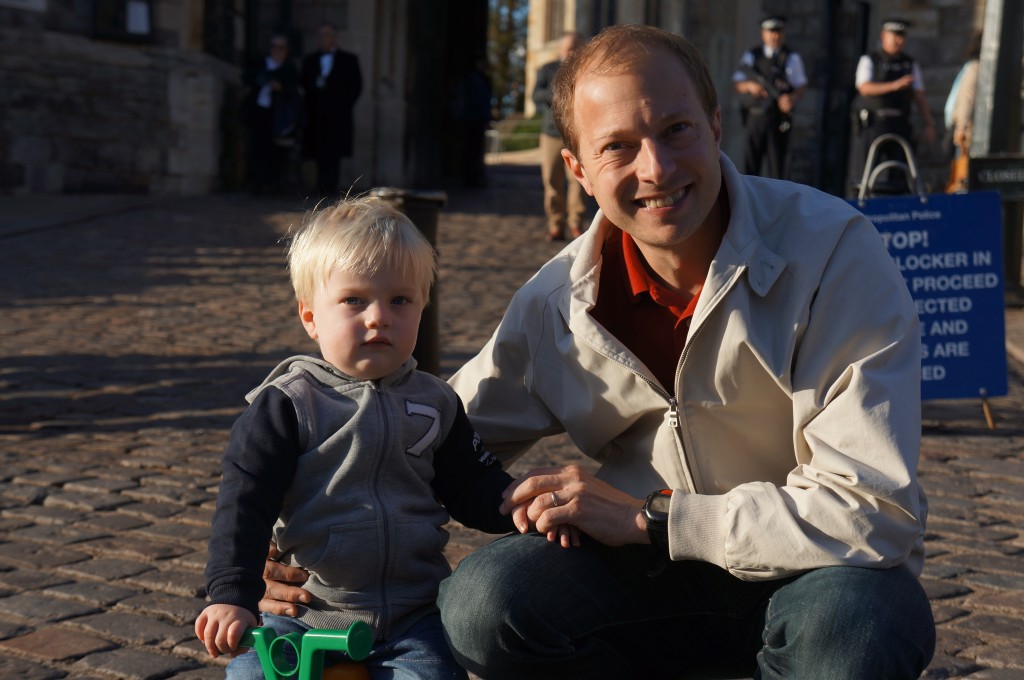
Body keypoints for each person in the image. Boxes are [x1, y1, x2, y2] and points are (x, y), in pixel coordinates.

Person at [263, 24, 936, 679]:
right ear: (579, 169)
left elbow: (874, 508)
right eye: (619, 147)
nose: (657, 169)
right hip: (645, 585)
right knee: (483, 601)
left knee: (857, 626)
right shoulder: (557, 299)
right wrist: (299, 549)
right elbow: (421, 434)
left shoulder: (834, 252)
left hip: (817, 578)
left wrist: (652, 517)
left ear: (716, 125)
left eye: (676, 130)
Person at [195, 196, 517, 680]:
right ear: (310, 318)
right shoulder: (288, 404)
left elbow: (470, 487)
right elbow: (244, 502)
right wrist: (230, 594)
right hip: (304, 613)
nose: (378, 317)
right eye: (354, 300)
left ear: (422, 308)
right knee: (253, 675)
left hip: (413, 617)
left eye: (400, 301)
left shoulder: (437, 401)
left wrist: (517, 502)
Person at [852, 18, 937, 193]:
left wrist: (929, 123)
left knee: (901, 174)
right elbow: (864, 87)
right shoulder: (870, 60)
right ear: (884, 36)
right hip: (875, 123)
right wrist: (894, 86)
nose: (899, 41)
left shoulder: (909, 63)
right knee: (868, 173)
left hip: (900, 123)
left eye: (902, 36)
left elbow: (919, 96)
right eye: (895, 36)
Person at [732, 16, 808, 179]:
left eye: (778, 32)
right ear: (763, 33)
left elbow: (801, 85)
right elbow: (738, 83)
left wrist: (791, 98)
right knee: (751, 165)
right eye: (771, 32)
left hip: (777, 117)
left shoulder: (790, 57)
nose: (775, 36)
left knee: (777, 168)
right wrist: (750, 86)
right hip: (756, 115)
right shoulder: (753, 55)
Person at [532, 32, 586, 241]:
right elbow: (536, 95)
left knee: (578, 180)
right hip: (551, 134)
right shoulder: (547, 69)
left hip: (576, 134)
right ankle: (555, 224)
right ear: (559, 50)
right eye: (569, 48)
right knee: (551, 181)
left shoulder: (585, 69)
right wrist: (555, 93)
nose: (572, 52)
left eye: (576, 47)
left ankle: (576, 223)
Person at [300, 23, 363, 197]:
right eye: (320, 35)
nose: (323, 39)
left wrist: (343, 106)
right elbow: (304, 84)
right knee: (318, 150)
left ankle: (331, 184)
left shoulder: (349, 60)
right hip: (316, 114)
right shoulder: (310, 60)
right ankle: (320, 184)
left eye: (326, 35)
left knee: (334, 151)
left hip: (338, 114)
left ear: (334, 37)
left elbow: (355, 86)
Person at [241, 32, 301, 195]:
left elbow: (294, 92)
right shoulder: (259, 64)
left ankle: (273, 185)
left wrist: (280, 87)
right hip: (259, 112)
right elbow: (247, 79)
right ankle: (255, 184)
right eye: (274, 46)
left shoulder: (289, 69)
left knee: (276, 151)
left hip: (279, 116)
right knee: (256, 148)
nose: (277, 50)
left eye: (281, 47)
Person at [945, 31, 983, 193]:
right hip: (969, 134)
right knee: (964, 178)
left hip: (973, 133)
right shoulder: (975, 68)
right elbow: (966, 101)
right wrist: (961, 128)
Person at [452, 54, 494, 188]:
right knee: (471, 150)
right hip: (472, 119)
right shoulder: (474, 80)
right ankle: (469, 179)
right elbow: (479, 102)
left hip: (476, 119)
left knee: (474, 151)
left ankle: (473, 178)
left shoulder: (480, 79)